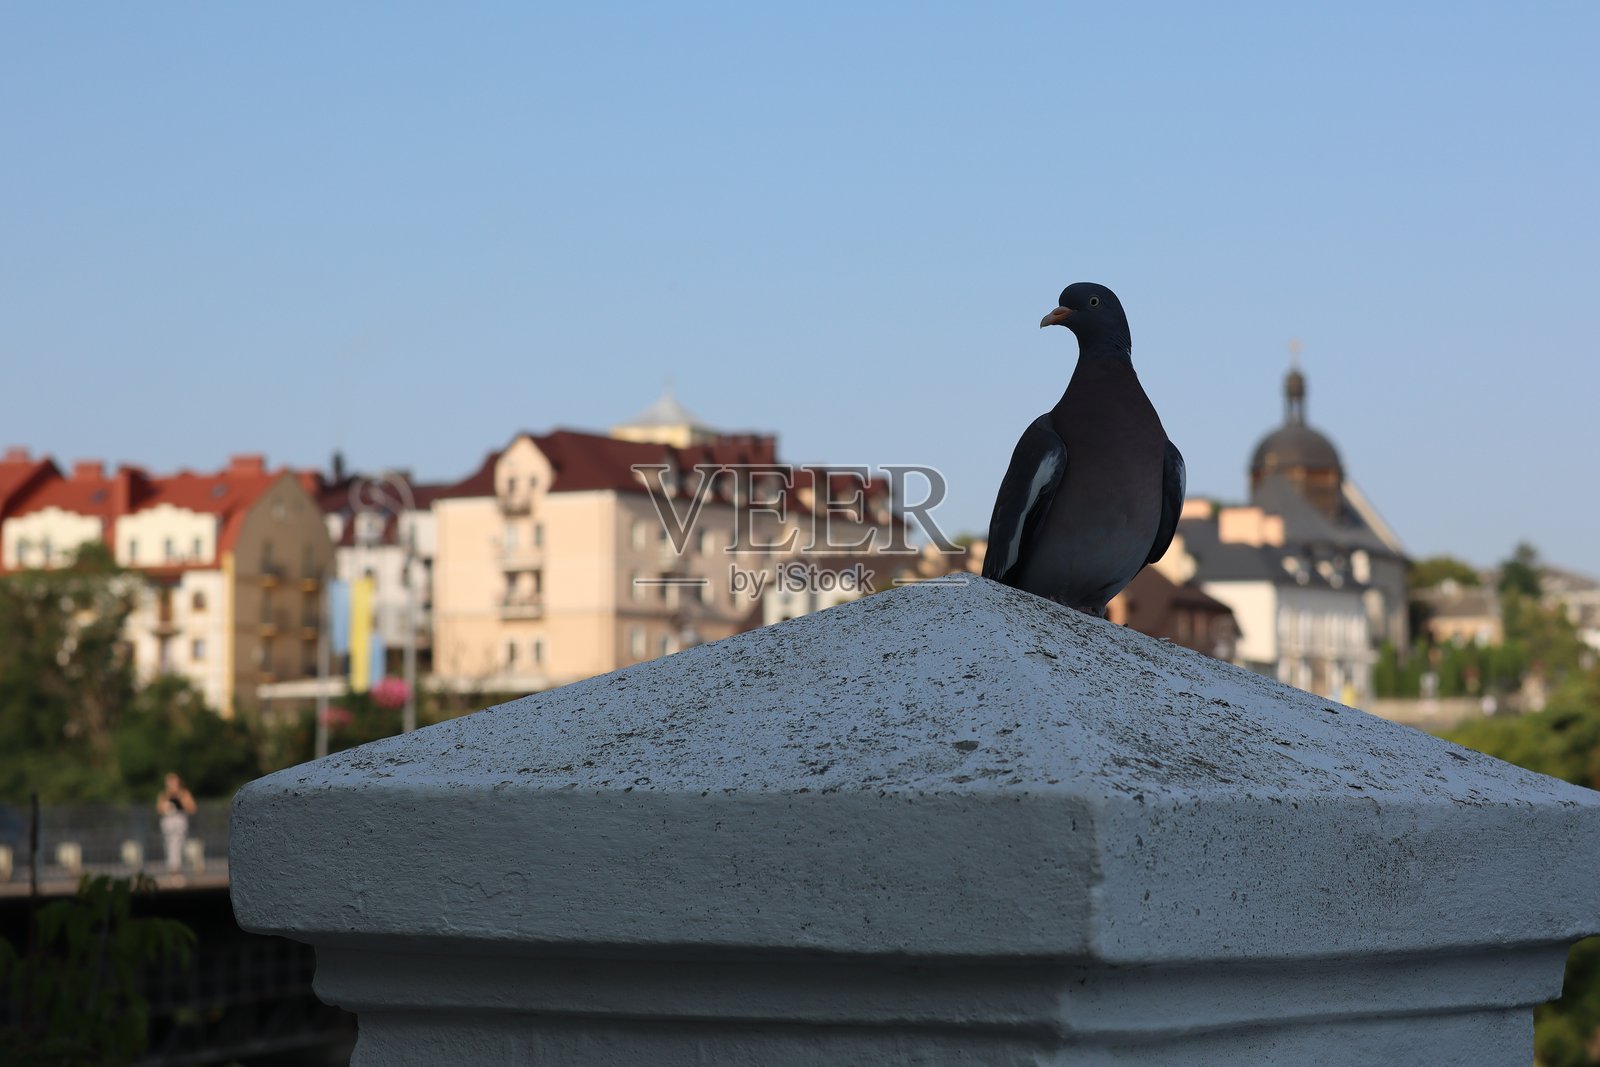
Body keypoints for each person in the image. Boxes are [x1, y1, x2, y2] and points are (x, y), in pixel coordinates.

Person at [156, 773, 197, 873]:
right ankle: (173, 870)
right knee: (170, 847)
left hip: (180, 826)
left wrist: (180, 798)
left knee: (179, 847)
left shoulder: (184, 793)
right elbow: (159, 809)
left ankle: (178, 869)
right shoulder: (164, 795)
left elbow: (192, 808)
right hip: (168, 827)